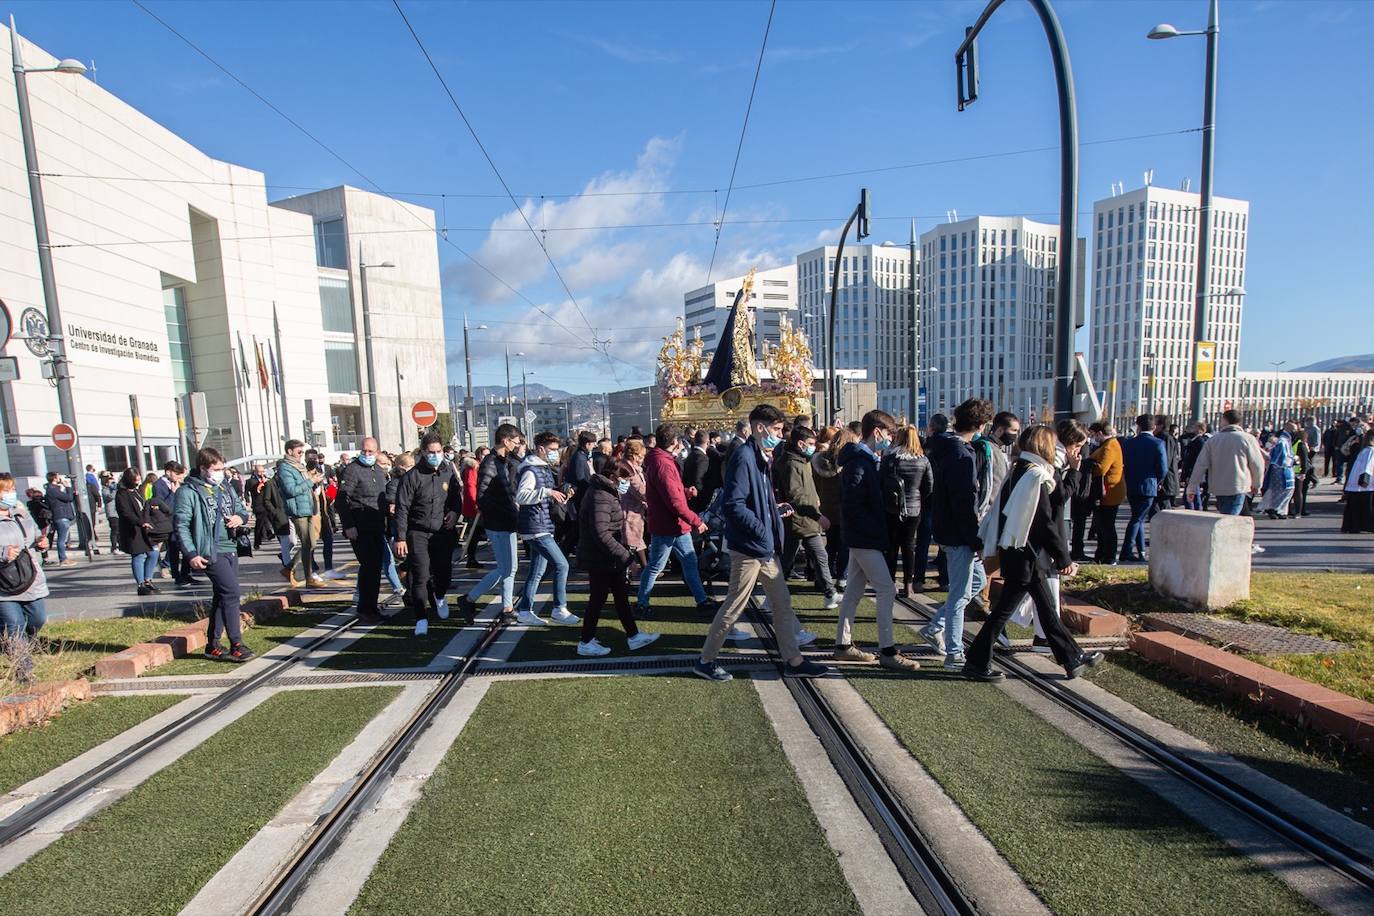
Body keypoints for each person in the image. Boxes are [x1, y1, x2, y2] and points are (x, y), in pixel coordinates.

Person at [693, 404, 826, 682]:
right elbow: (734, 505)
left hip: (762, 547)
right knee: (735, 605)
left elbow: (753, 500)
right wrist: (763, 529)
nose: (779, 435)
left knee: (782, 603)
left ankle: (794, 659)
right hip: (751, 548)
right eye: (776, 430)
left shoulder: (759, 456)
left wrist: (774, 512)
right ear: (760, 427)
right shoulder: (744, 456)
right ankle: (706, 661)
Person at [962, 426, 1104, 681]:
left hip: (1019, 552)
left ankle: (1072, 657)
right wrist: (1064, 558)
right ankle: (976, 661)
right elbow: (1044, 523)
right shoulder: (1036, 475)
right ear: (1045, 446)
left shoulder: (1020, 469)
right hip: (1027, 554)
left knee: (1044, 609)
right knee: (1013, 612)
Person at [834, 410, 920, 671]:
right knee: (885, 589)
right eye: (890, 434)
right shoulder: (861, 463)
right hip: (865, 538)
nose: (891, 439)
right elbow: (854, 506)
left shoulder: (862, 461)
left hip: (861, 537)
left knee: (853, 592)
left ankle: (843, 645)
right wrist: (873, 535)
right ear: (877, 433)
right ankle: (887, 650)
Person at [921, 398, 994, 667]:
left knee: (974, 584)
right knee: (960, 593)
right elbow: (964, 502)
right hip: (958, 532)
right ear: (981, 424)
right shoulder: (962, 454)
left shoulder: (944, 448)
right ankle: (954, 652)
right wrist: (974, 538)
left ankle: (935, 629)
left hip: (946, 527)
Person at [174, 448, 254, 662]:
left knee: (222, 595)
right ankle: (236, 643)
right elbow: (181, 525)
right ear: (203, 468)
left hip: (230, 547)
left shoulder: (225, 487)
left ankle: (213, 644)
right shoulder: (188, 491)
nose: (221, 473)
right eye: (216, 469)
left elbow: (242, 510)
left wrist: (240, 518)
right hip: (209, 550)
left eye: (223, 468)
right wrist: (190, 553)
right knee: (231, 592)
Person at [575, 459, 661, 657]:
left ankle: (633, 635)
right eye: (625, 480)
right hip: (600, 556)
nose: (627, 484)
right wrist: (625, 557)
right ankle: (586, 641)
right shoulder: (601, 495)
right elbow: (601, 533)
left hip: (606, 555)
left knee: (620, 595)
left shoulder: (605, 492)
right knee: (598, 598)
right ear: (614, 477)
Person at [637, 423, 716, 617]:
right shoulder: (663, 464)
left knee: (689, 562)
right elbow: (673, 502)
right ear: (674, 442)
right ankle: (641, 603)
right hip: (668, 525)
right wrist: (696, 520)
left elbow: (672, 494)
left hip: (673, 524)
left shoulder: (661, 460)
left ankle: (702, 600)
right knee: (656, 565)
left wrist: (685, 493)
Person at [396, 433, 464, 636]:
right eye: (431, 452)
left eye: (438, 452)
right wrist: (400, 537)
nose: (435, 455)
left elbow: (455, 498)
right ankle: (421, 618)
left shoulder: (448, 473)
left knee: (443, 573)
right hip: (418, 532)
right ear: (423, 452)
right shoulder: (412, 477)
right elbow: (402, 508)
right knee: (421, 575)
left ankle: (440, 597)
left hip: (442, 532)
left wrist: (454, 511)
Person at [513, 431, 580, 627]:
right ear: (541, 449)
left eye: (556, 449)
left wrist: (560, 494)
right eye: (551, 450)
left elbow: (544, 495)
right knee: (562, 565)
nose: (555, 453)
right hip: (535, 526)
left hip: (541, 524)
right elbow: (521, 496)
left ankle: (525, 610)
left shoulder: (542, 469)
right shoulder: (530, 470)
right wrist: (548, 491)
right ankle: (559, 608)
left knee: (537, 571)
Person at [459, 425, 523, 625]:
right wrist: (508, 508)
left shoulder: (504, 461)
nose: (517, 446)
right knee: (506, 568)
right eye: (515, 442)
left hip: (505, 520)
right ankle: (472, 599)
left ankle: (505, 607)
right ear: (506, 440)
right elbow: (483, 496)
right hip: (498, 522)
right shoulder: (490, 463)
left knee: (508, 568)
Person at [774, 424, 838, 609]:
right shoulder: (792, 463)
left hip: (802, 518)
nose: (813, 446)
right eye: (810, 443)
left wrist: (815, 500)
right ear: (801, 444)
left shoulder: (801, 461)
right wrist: (817, 516)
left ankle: (829, 593)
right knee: (812, 556)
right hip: (800, 519)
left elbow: (804, 490)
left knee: (792, 559)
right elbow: (796, 495)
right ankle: (829, 593)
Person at [1185, 410, 1266, 552]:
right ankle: (1226, 548)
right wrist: (1256, 484)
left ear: (1225, 420)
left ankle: (1235, 545)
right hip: (1239, 485)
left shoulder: (1213, 440)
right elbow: (1257, 464)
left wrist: (1192, 487)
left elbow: (1200, 465)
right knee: (1230, 518)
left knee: (1227, 515)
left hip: (1217, 486)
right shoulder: (1247, 439)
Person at [1, 472, 50, 683]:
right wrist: (3, 553)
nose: (11, 493)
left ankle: (10, 644)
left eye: (12, 489)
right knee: (14, 625)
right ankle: (24, 672)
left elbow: (35, 535)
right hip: (4, 586)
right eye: (5, 490)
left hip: (30, 578)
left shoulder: (21, 513)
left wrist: (41, 542)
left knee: (37, 619)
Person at [336, 438, 391, 626]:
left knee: (375, 568)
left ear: (377, 453)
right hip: (360, 528)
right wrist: (348, 525)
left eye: (371, 452)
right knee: (370, 567)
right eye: (364, 451)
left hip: (376, 526)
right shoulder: (352, 470)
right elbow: (342, 500)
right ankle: (365, 608)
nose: (367, 454)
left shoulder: (378, 470)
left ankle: (371, 607)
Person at [880, 425, 932, 598]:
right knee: (909, 546)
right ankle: (909, 584)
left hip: (892, 508)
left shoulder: (890, 458)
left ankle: (890, 582)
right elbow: (929, 486)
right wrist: (918, 499)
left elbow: (881, 482)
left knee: (892, 546)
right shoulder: (922, 460)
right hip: (914, 507)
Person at [1118, 415, 1167, 563]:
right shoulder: (1158, 443)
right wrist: (1157, 481)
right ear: (1153, 427)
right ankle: (1127, 551)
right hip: (1148, 485)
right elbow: (1163, 468)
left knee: (1138, 517)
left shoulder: (1128, 443)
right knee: (1137, 518)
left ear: (1138, 426)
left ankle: (1141, 551)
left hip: (1131, 484)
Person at [276, 440, 323, 588]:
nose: (301, 455)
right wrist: (310, 481)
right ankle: (307, 577)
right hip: (298, 509)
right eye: (299, 452)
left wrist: (311, 479)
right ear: (289, 451)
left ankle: (289, 567)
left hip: (307, 507)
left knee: (311, 542)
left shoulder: (298, 467)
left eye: (302, 452)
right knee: (307, 543)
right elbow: (291, 490)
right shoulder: (285, 468)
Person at [813, 425, 854, 589]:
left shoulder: (819, 460)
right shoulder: (845, 462)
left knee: (830, 545)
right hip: (843, 508)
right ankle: (841, 577)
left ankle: (823, 576)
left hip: (826, 508)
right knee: (844, 546)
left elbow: (815, 483)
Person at [115, 468, 160, 596]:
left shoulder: (136, 491)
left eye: (139, 479)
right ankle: (140, 584)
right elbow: (125, 513)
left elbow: (143, 506)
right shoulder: (122, 494)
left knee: (153, 553)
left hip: (144, 528)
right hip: (132, 529)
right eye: (136, 480)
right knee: (139, 555)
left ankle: (148, 580)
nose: (138, 482)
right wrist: (140, 522)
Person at [620, 438, 649, 571]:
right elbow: (640, 490)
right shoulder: (628, 470)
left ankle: (644, 567)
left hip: (634, 509)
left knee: (635, 540)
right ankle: (629, 570)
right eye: (641, 456)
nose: (642, 459)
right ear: (634, 455)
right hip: (630, 510)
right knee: (630, 541)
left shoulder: (632, 467)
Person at [1259, 423, 1298, 519]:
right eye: (1293, 429)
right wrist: (1293, 460)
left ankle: (1279, 510)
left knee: (1286, 490)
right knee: (1278, 490)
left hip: (1286, 469)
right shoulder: (1282, 441)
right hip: (1280, 469)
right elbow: (1281, 457)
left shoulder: (1285, 440)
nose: (1295, 432)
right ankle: (1274, 509)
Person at [1340, 430, 1374, 534]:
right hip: (1366, 484)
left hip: (1355, 483)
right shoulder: (1370, 451)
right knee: (1366, 506)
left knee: (1354, 505)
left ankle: (1352, 525)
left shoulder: (1364, 450)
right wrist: (1365, 478)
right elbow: (1367, 465)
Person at [44, 471, 78, 566]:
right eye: (58, 476)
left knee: (62, 538)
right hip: (61, 516)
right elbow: (68, 498)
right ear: (54, 478)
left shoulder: (54, 489)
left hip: (62, 515)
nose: (60, 478)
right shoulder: (52, 489)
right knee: (62, 539)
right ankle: (63, 559)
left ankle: (63, 558)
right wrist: (68, 487)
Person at [461, 446, 486, 569]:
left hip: (481, 504)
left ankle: (471, 557)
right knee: (474, 533)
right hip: (474, 506)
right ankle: (470, 558)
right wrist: (476, 503)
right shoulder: (473, 467)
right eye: (483, 454)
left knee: (477, 532)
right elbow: (471, 486)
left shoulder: (484, 467)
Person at [1154, 414, 1182, 512]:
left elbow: (1166, 460)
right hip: (1165, 479)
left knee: (1164, 508)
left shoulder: (1165, 438)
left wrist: (1160, 480)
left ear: (1161, 425)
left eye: (1155, 424)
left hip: (1166, 480)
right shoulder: (1162, 437)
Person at [1180, 422, 1211, 511]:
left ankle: (1195, 511)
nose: (1193, 429)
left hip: (1192, 471)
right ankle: (1196, 510)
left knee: (1191, 495)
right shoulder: (1196, 440)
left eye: (1195, 427)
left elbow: (1195, 459)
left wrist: (1188, 473)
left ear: (1200, 429)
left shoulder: (1199, 441)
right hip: (1192, 471)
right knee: (1192, 494)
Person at [99, 471, 120, 555]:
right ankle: (114, 547)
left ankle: (120, 545)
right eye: (110, 482)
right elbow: (110, 497)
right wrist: (114, 489)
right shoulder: (105, 490)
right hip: (111, 513)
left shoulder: (113, 488)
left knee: (119, 530)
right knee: (114, 529)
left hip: (117, 511)